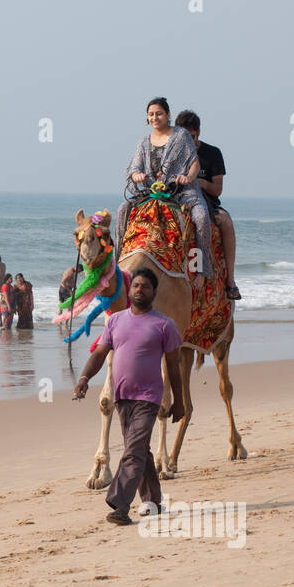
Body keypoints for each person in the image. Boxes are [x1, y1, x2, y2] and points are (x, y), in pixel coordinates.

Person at [72, 268, 185, 526]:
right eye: (135, 285)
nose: (139, 290)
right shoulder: (114, 321)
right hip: (123, 398)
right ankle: (153, 503)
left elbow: (174, 367)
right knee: (141, 452)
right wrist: (84, 378)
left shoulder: (164, 325)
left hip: (149, 398)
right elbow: (100, 354)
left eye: (145, 286)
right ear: (129, 288)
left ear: (154, 292)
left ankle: (120, 505)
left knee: (132, 452)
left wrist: (178, 401)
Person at [114, 98, 213, 290]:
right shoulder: (143, 142)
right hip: (150, 191)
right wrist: (137, 175)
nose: (155, 117)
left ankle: (202, 269)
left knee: (201, 217)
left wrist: (189, 178)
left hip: (180, 190)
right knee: (121, 210)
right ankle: (117, 262)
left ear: (168, 115)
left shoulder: (181, 135)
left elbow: (194, 163)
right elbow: (134, 167)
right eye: (151, 114)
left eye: (158, 113)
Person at [175, 110, 241, 300]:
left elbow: (218, 189)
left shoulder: (212, 153)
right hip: (179, 201)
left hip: (208, 202)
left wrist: (200, 183)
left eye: (192, 137)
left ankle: (230, 280)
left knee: (227, 222)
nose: (189, 141)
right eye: (185, 137)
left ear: (199, 132)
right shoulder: (174, 155)